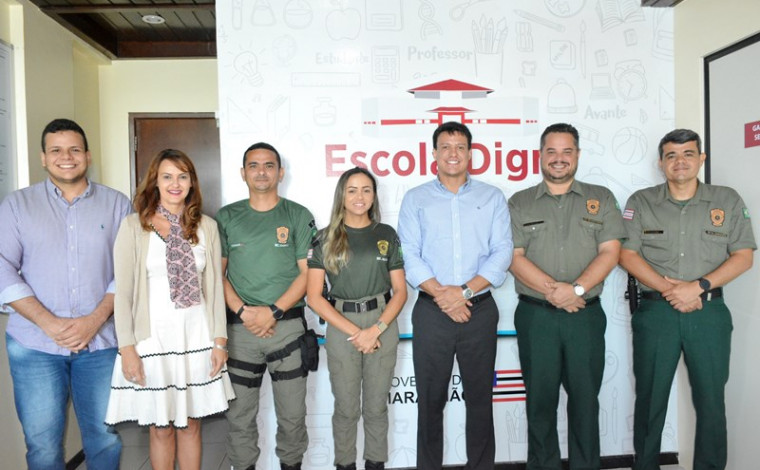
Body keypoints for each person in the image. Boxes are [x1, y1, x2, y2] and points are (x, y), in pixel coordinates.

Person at [619, 129, 755, 470]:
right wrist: (674, 291)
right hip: (656, 314)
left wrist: (698, 287)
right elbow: (626, 254)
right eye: (672, 155)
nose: (680, 162)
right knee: (650, 400)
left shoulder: (726, 200)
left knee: (711, 402)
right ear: (661, 162)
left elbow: (743, 256)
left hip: (708, 313)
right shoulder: (641, 201)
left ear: (701, 158)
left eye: (688, 154)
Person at [0, 118, 130, 469]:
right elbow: (2, 266)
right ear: (43, 158)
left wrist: (94, 321)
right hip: (34, 346)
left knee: (104, 437)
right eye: (56, 150)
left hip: (100, 344)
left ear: (87, 155)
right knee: (42, 445)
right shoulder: (16, 206)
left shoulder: (117, 204)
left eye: (74, 149)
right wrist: (49, 323)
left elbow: (128, 269)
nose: (66, 157)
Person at [105, 149, 235, 469]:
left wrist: (220, 342)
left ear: (191, 183)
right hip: (152, 340)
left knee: (191, 424)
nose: (175, 184)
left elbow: (214, 289)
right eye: (167, 177)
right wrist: (127, 348)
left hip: (197, 338)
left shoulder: (207, 227)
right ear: (155, 182)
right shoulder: (134, 226)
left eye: (182, 176)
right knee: (160, 427)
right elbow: (123, 294)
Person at [507, 122, 625, 470]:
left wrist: (575, 290)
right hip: (536, 317)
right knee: (539, 401)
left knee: (585, 400)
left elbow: (611, 252)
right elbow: (513, 257)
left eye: (567, 151)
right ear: (540, 155)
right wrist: (556, 292)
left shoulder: (601, 198)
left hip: (584, 315)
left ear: (578, 155)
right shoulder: (519, 202)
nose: (559, 158)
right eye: (552, 151)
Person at [397, 121, 513, 470]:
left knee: (480, 400)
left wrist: (463, 292)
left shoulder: (492, 197)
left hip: (479, 309)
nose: (453, 153)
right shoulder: (415, 198)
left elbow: (502, 252)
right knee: (430, 402)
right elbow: (409, 254)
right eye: (445, 147)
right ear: (434, 153)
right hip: (432, 312)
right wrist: (443, 296)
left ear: (470, 153)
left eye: (460, 147)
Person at [217, 142, 317, 470]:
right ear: (242, 173)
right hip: (240, 331)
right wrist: (244, 312)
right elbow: (216, 274)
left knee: (293, 416)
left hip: (286, 328)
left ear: (280, 172)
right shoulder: (226, 217)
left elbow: (307, 273)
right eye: (254, 165)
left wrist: (273, 311)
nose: (262, 172)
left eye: (269, 165)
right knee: (239, 417)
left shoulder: (298, 215)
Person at [306, 167, 407, 470]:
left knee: (376, 408)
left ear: (374, 196)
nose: (359, 196)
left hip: (382, 323)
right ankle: (345, 464)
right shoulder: (324, 238)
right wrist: (358, 332)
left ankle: (375, 464)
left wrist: (375, 329)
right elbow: (314, 297)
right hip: (341, 325)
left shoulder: (386, 234)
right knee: (346, 408)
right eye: (352, 190)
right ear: (342, 195)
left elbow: (401, 292)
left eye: (366, 190)